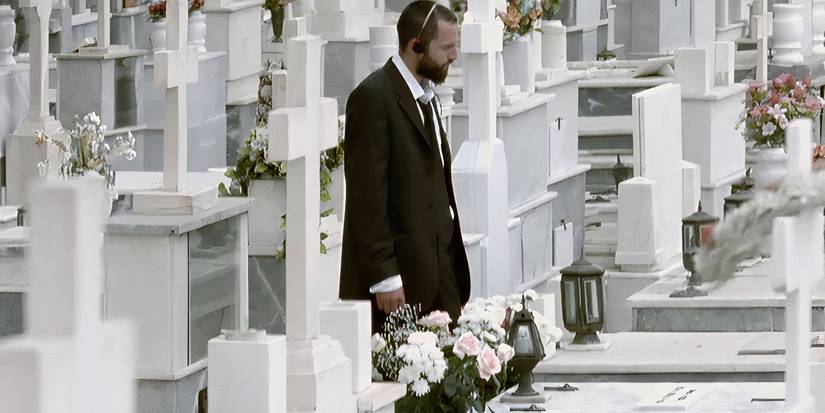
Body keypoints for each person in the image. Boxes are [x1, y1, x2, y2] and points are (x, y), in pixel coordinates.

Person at [339, 0, 470, 333]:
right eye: (447, 47)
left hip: (441, 276)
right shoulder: (373, 98)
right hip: (399, 283)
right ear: (416, 45)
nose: (454, 55)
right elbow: (366, 198)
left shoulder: (428, 96)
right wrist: (385, 276)